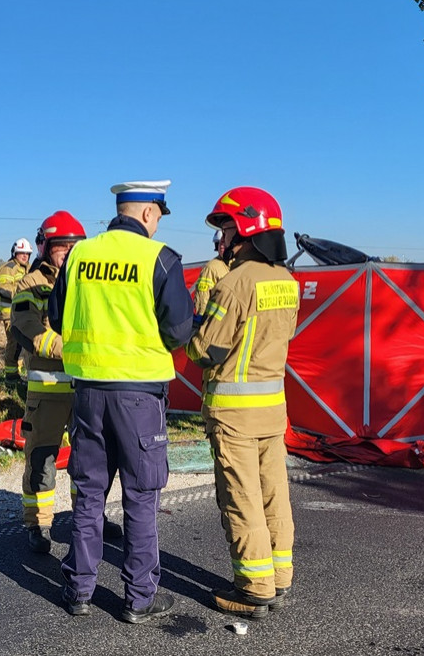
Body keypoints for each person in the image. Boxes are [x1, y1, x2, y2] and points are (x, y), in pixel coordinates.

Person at [48, 179, 194, 624]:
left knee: (89, 494)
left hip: (88, 393)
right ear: (150, 213)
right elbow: (179, 332)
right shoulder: (160, 259)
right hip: (139, 397)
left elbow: (56, 316)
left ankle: (78, 591)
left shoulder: (79, 256)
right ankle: (139, 598)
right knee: (141, 496)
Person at [186, 186, 300, 621]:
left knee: (241, 498)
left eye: (227, 227)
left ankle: (254, 589)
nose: (223, 238)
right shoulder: (287, 282)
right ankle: (280, 576)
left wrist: (188, 338)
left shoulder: (234, 284)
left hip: (234, 414)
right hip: (273, 408)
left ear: (246, 231)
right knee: (274, 493)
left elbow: (206, 350)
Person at [9, 211, 121, 553]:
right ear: (46, 248)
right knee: (42, 461)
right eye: (62, 247)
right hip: (47, 393)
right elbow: (29, 329)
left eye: (75, 246)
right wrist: (74, 350)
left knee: (89, 462)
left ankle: (89, 518)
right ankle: (38, 524)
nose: (69, 252)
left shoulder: (88, 282)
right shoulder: (31, 285)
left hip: (86, 390)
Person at [0, 238, 33, 380]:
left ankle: (21, 372)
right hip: (10, 313)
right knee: (14, 342)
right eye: (21, 253)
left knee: (25, 343)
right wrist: (22, 295)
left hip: (24, 312)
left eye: (27, 254)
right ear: (14, 253)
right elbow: (3, 289)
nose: (25, 256)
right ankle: (11, 375)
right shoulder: (8, 268)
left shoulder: (29, 268)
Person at [192, 229, 231, 324]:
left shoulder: (239, 264)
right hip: (215, 323)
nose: (221, 246)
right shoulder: (211, 268)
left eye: (224, 242)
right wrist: (203, 322)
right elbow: (202, 299)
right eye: (219, 243)